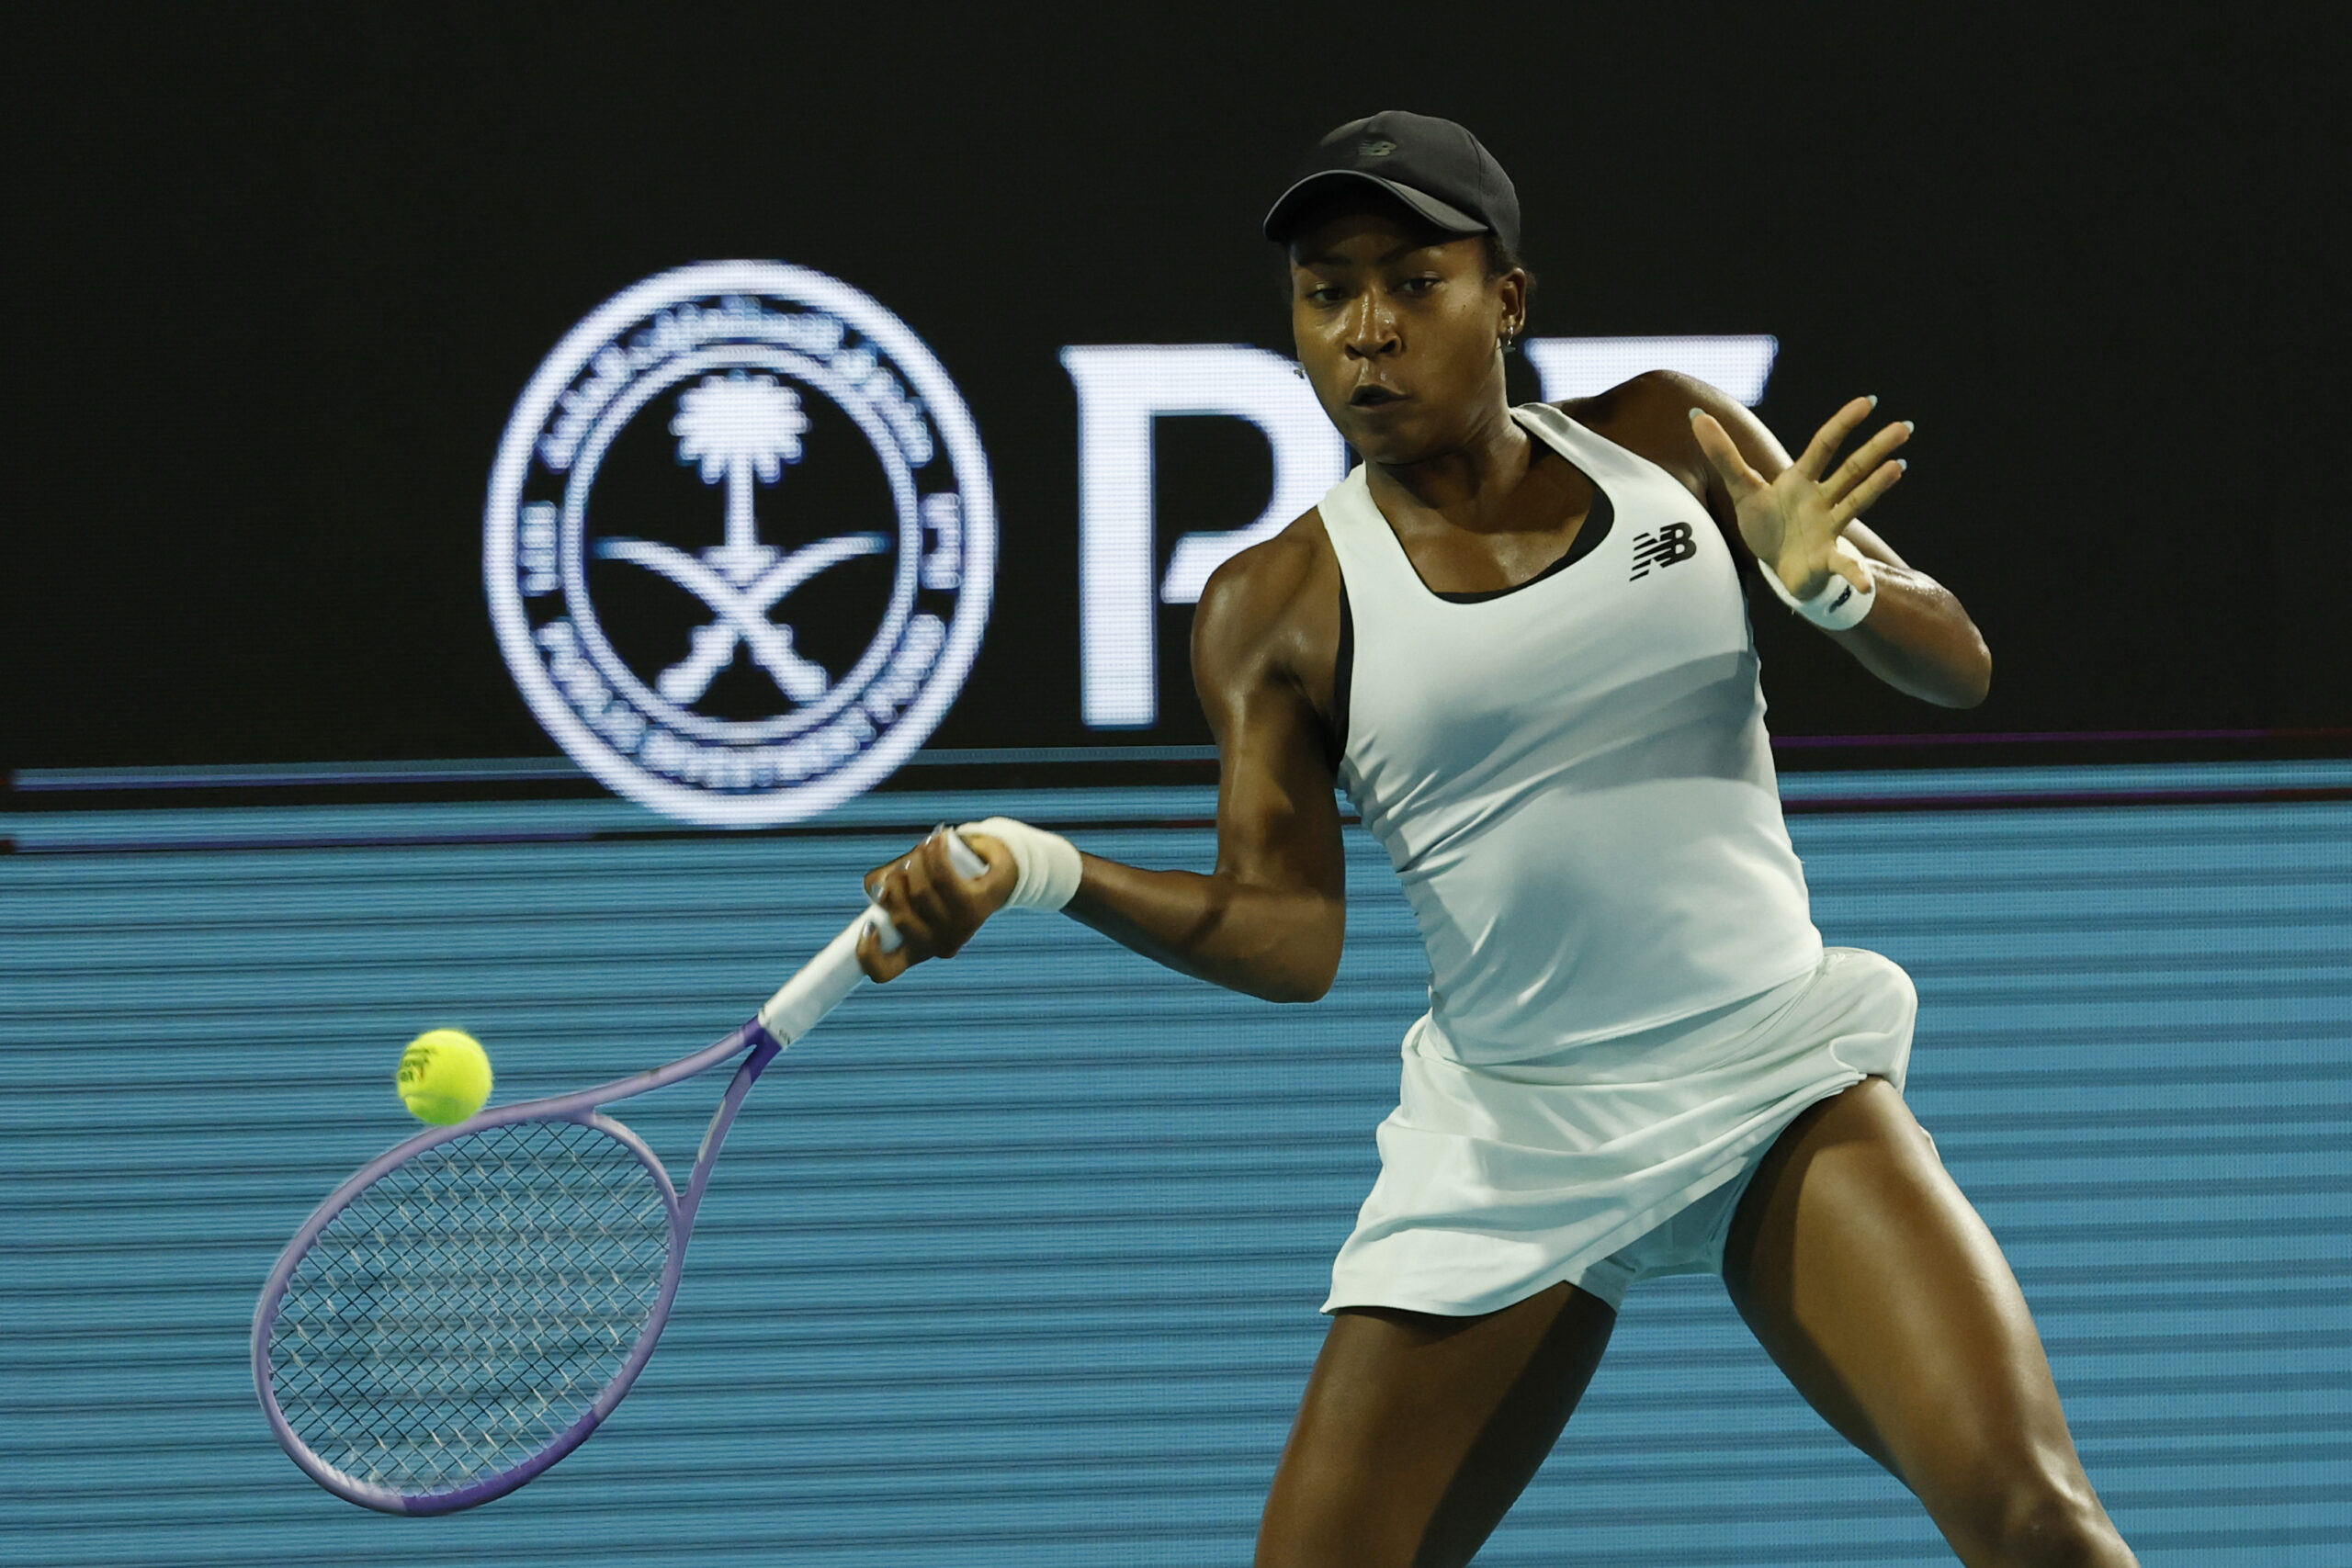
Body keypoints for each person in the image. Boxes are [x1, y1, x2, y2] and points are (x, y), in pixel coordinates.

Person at [856, 111, 2139, 1568]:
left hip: (1773, 1071)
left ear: (1508, 301)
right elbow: (1290, 939)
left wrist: (1828, 590)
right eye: (1326, 291)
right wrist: (1042, 871)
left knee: (2039, 1523)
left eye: (1413, 282)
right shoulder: (1273, 604)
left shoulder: (1674, 436)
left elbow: (1957, 661)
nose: (1366, 331)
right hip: (1518, 1132)